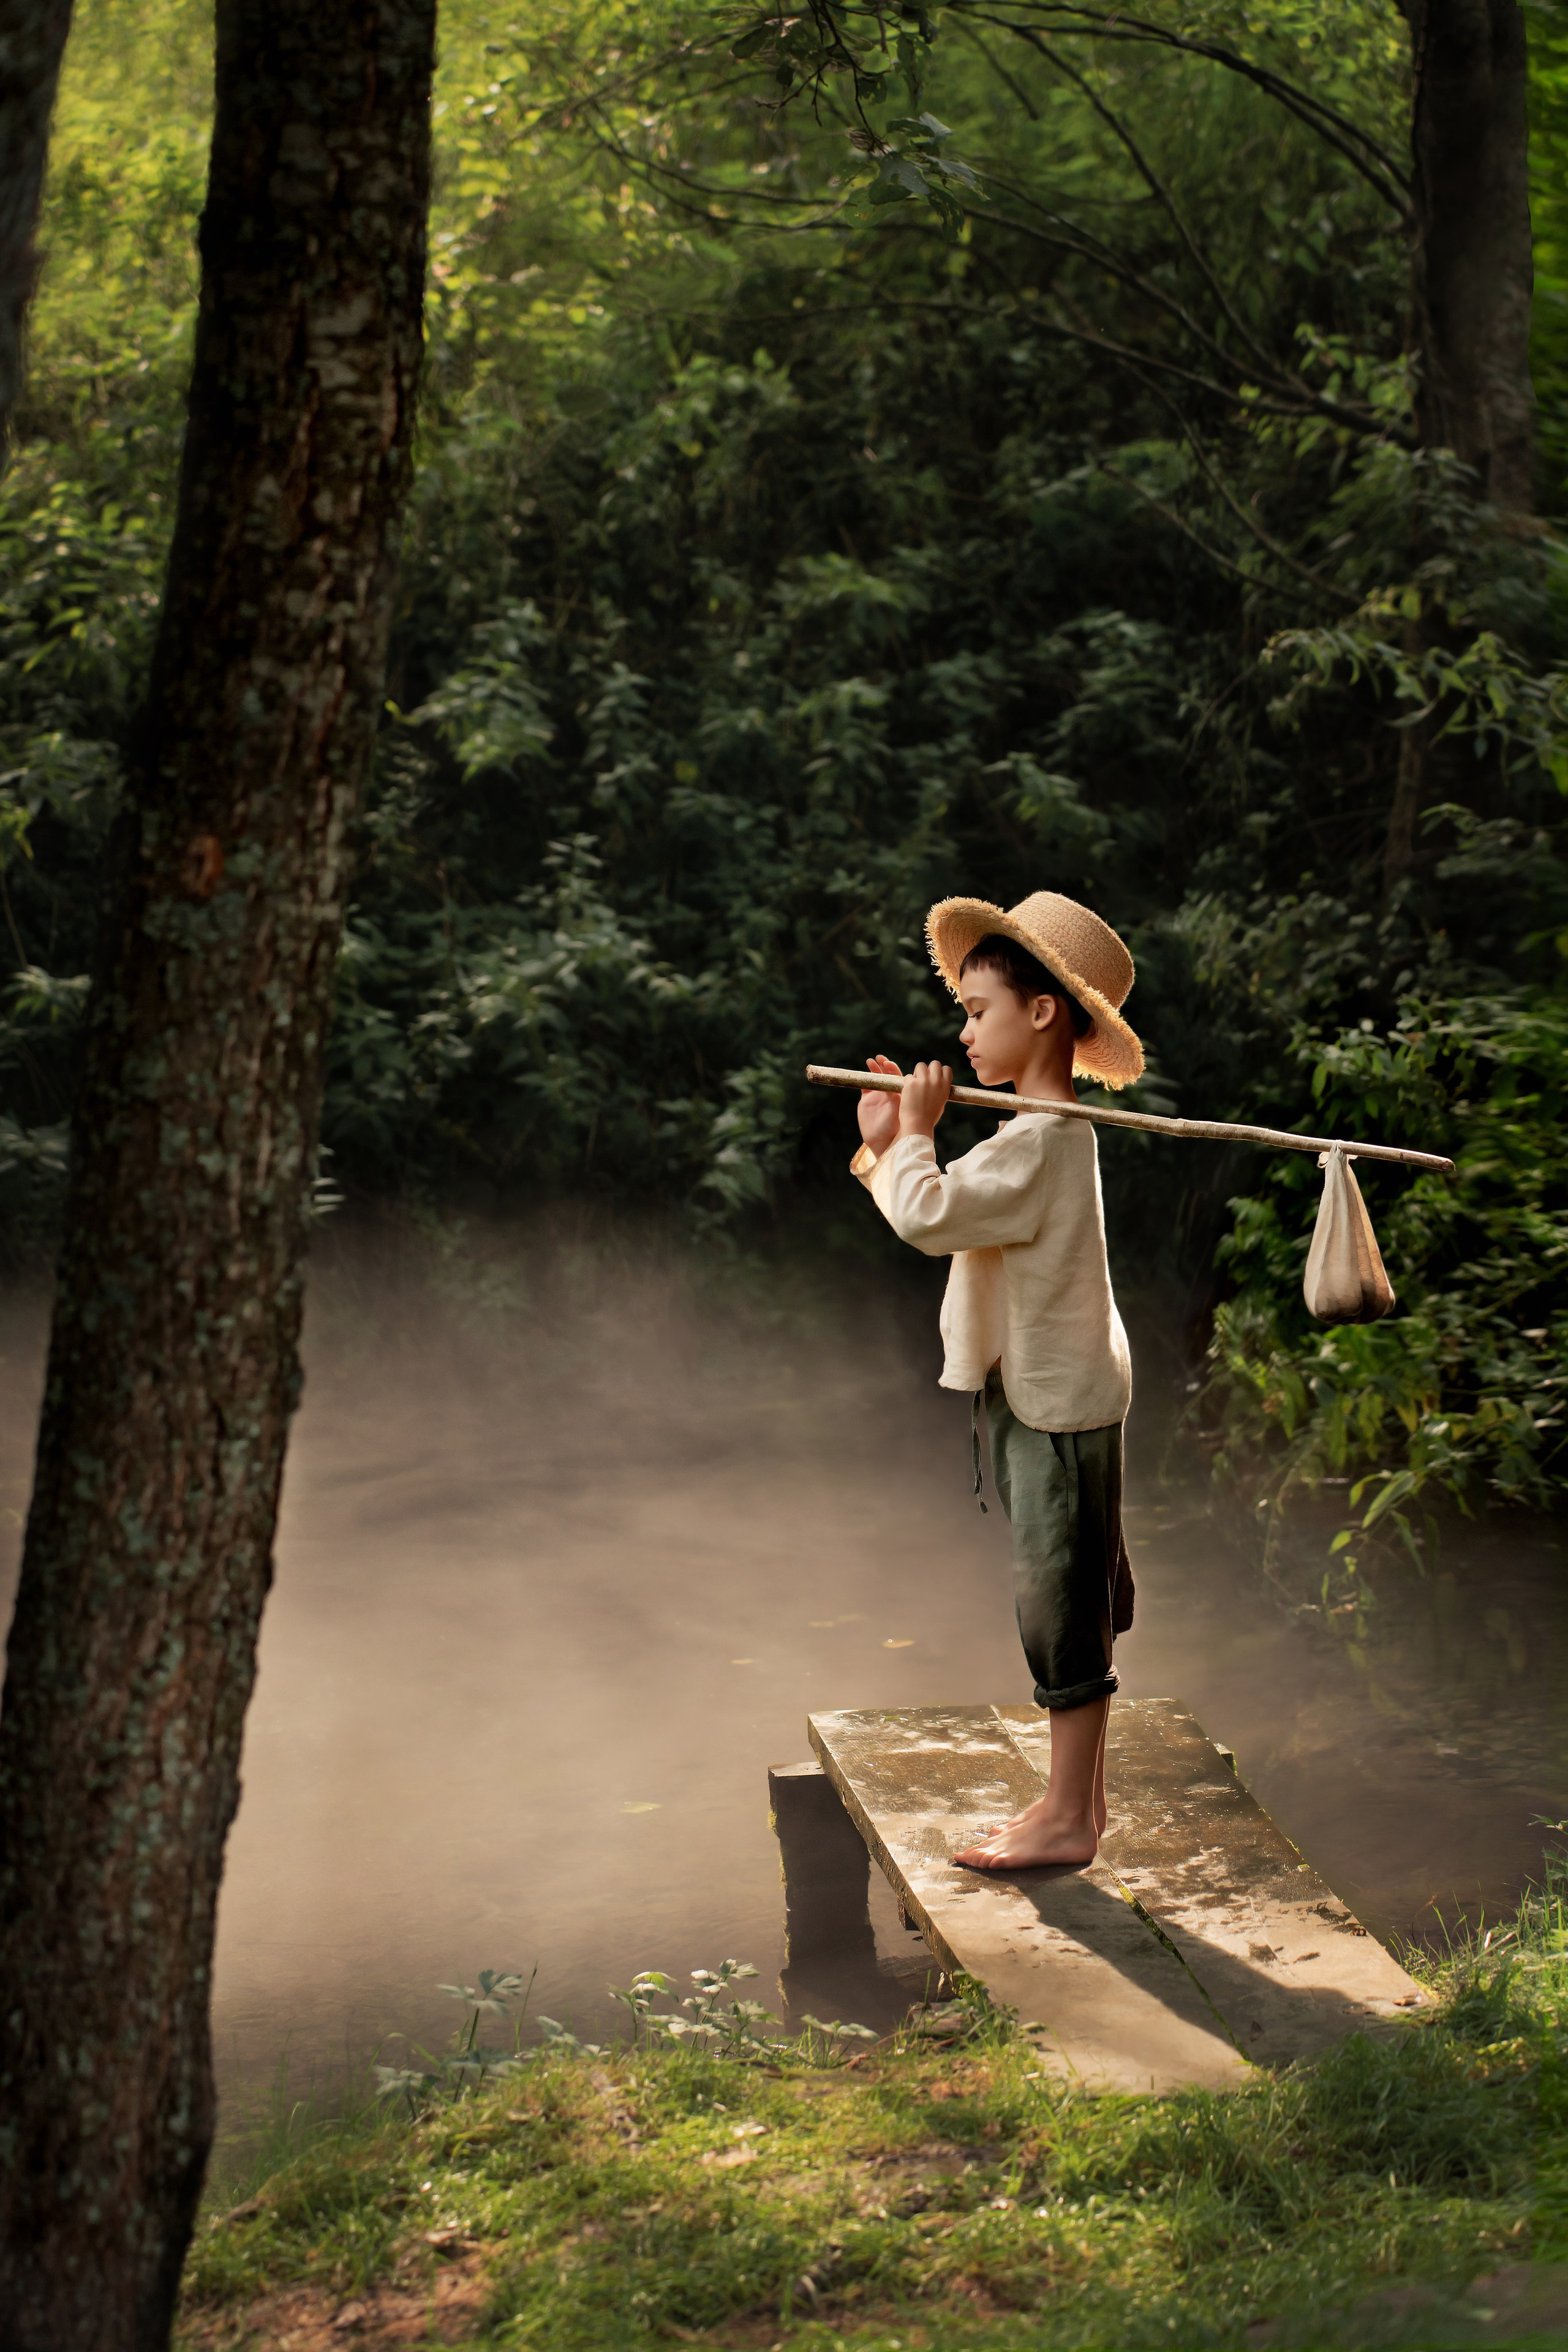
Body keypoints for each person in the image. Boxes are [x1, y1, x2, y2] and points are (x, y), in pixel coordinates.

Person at [850, 891, 1142, 1872]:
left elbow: (928, 1215)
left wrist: (911, 1137)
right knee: (1073, 1598)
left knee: (1061, 1606)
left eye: (979, 1012)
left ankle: (1067, 1820)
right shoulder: (1036, 1137)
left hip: (1054, 1408)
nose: (965, 1032)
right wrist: (897, 1140)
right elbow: (946, 1205)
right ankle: (1077, 1808)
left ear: (1044, 1013)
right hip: (1050, 1396)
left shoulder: (1045, 1143)